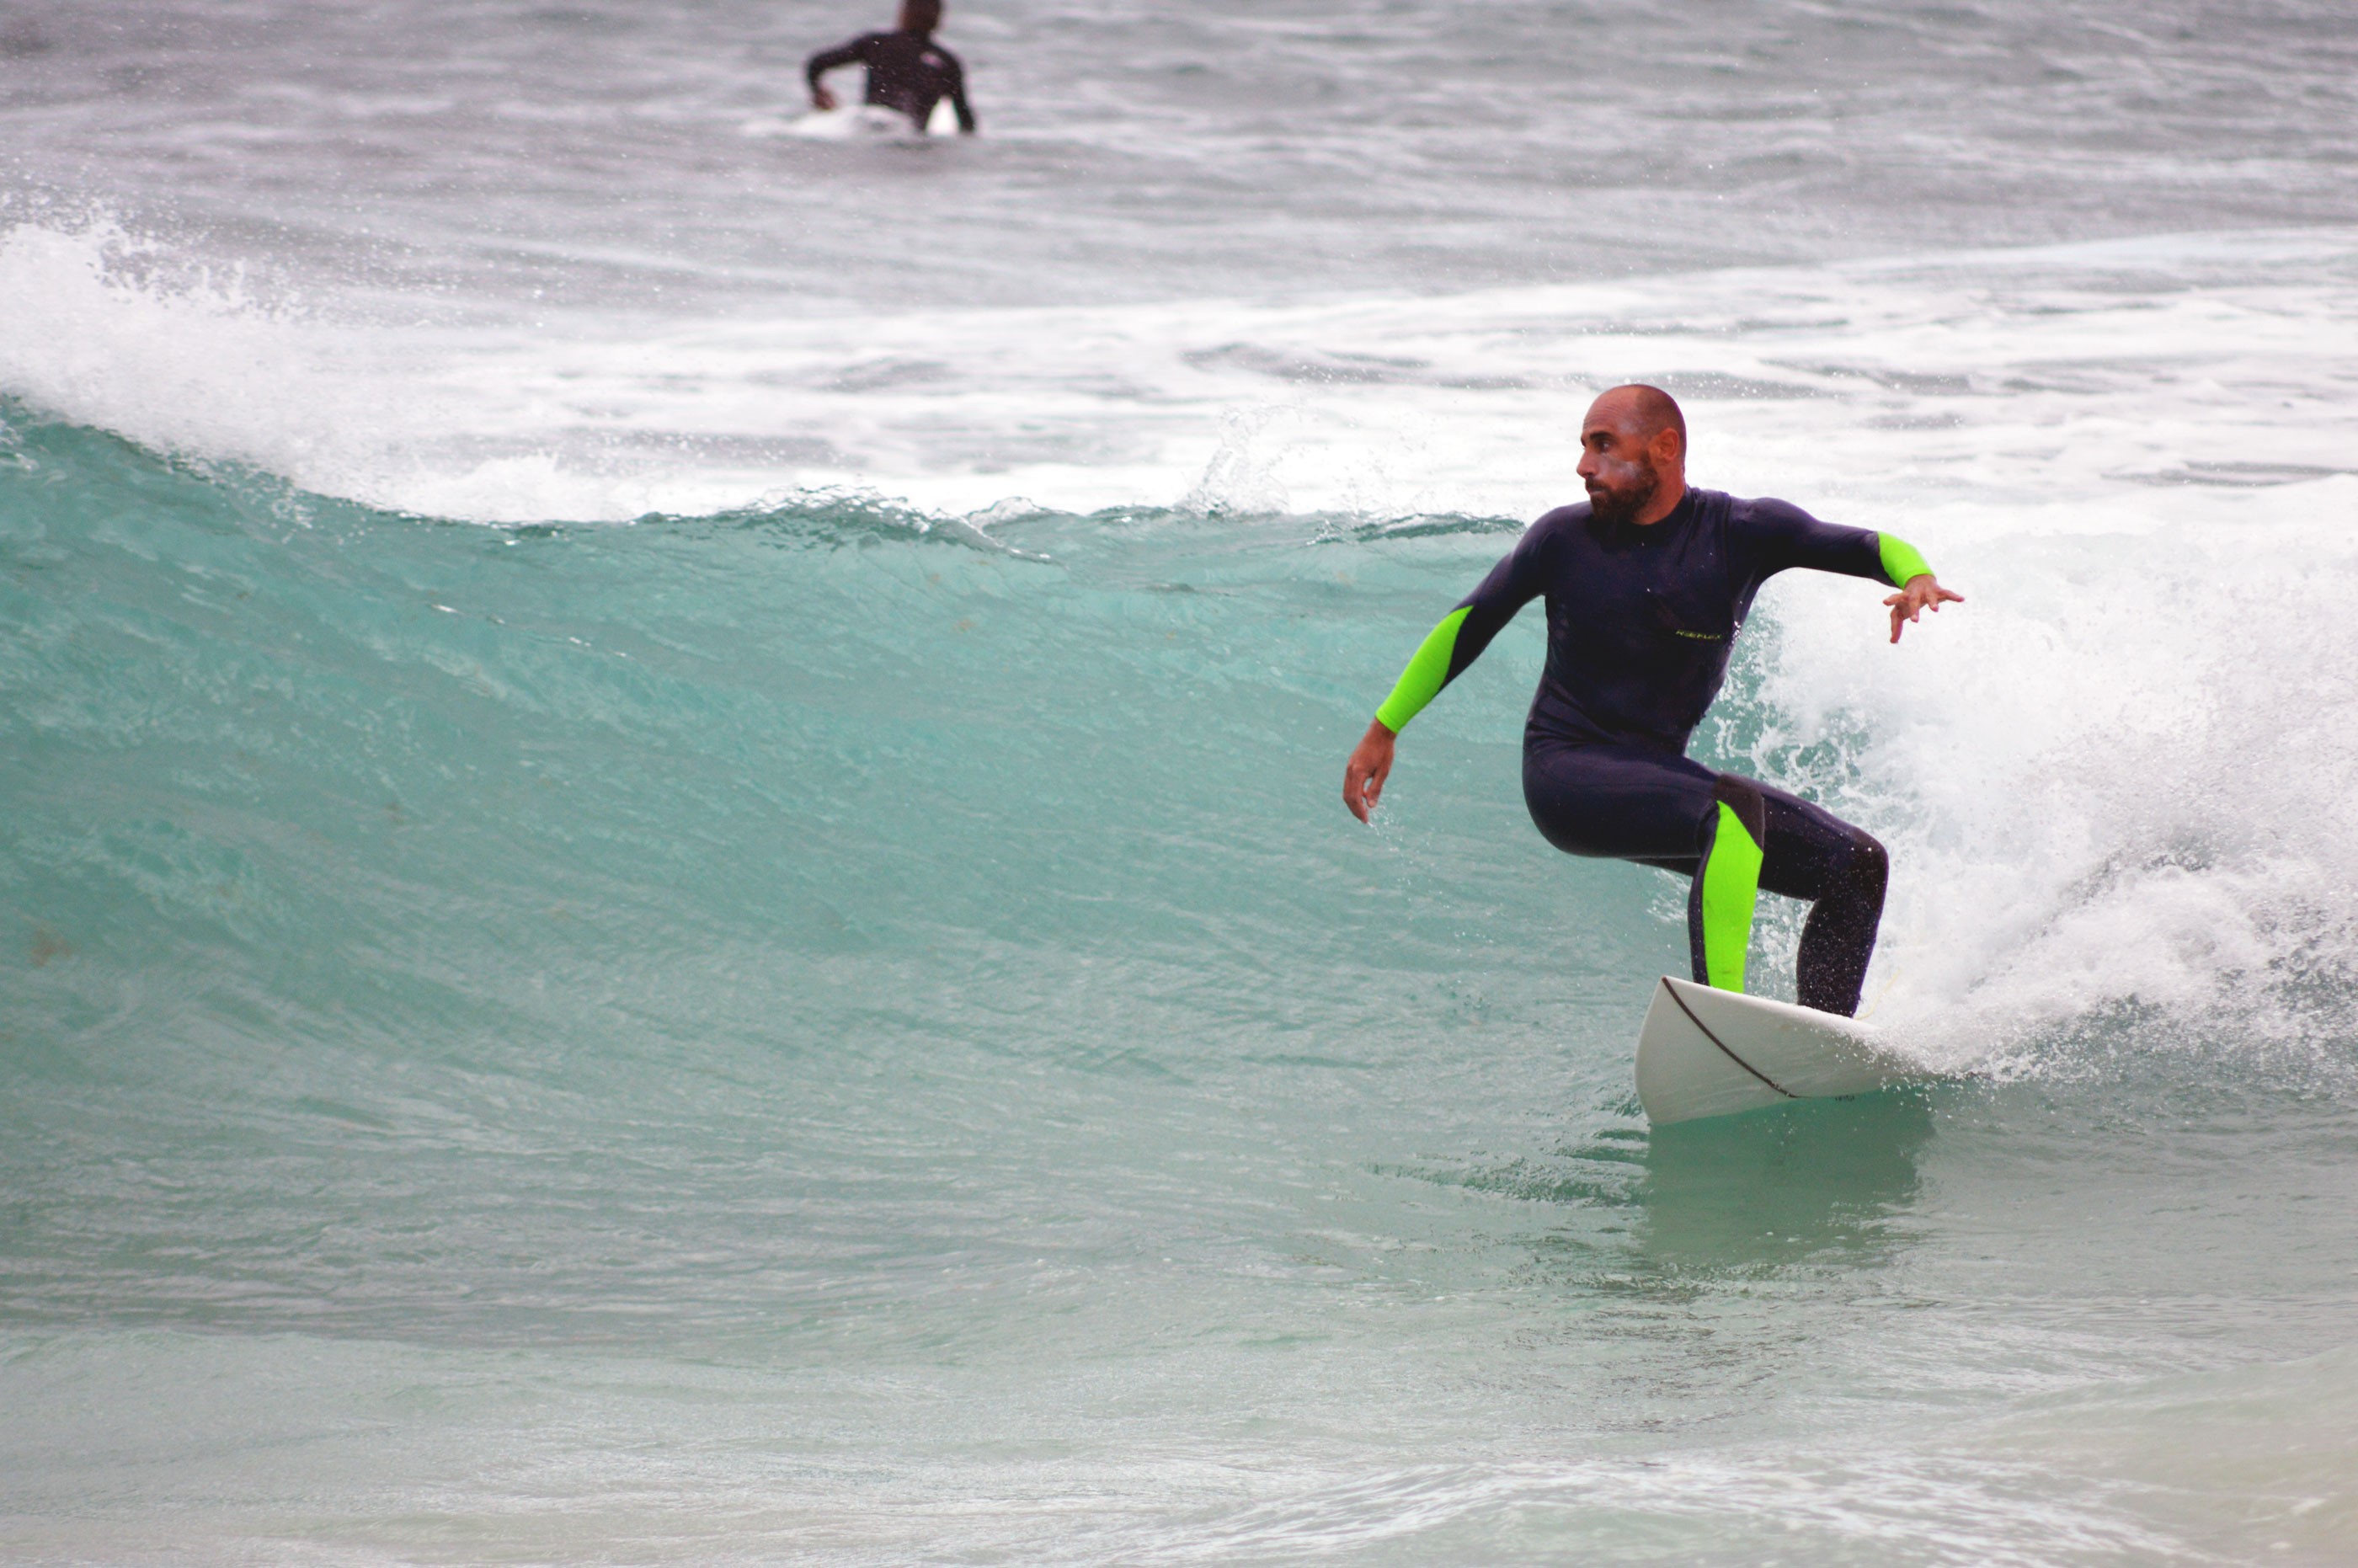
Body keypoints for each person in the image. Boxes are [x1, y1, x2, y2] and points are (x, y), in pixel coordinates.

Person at [1340, 386, 1962, 1016]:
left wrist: (1916, 577)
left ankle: (1818, 1045)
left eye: (1603, 445)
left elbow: (1864, 546)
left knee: (1856, 864)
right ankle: (1724, 1019)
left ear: (1665, 448)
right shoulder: (1562, 540)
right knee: (1733, 811)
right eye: (1584, 446)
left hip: (1659, 776)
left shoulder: (1742, 532)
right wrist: (1384, 727)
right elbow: (1470, 622)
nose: (1584, 464)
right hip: (1567, 772)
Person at [806, 0, 977, 136]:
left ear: (903, 14)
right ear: (938, 21)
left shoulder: (876, 43)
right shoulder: (948, 62)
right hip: (907, 135)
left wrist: (817, 90)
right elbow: (966, 122)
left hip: (866, 121)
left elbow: (817, 63)